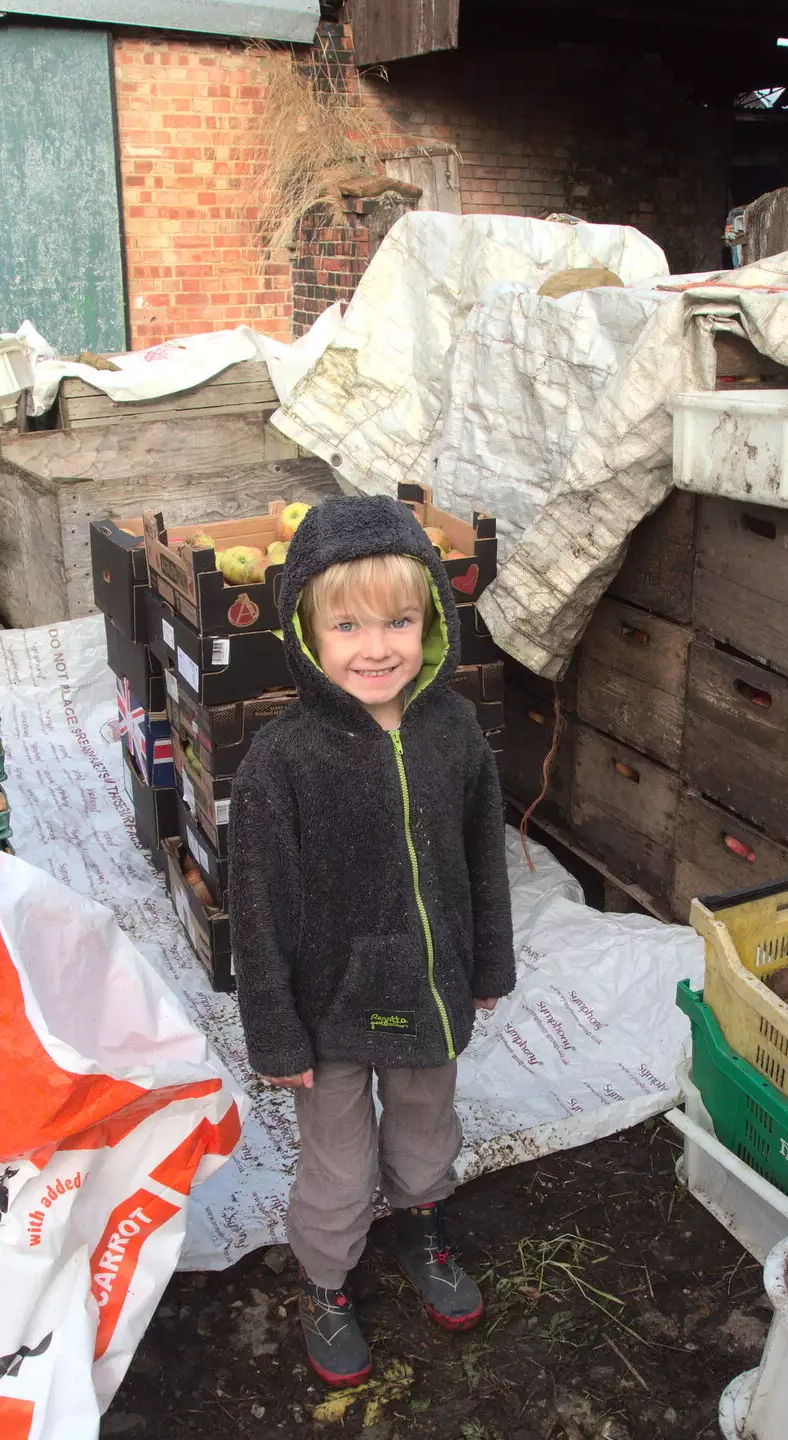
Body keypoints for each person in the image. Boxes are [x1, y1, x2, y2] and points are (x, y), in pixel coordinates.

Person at [227, 495, 516, 1387]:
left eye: (398, 619)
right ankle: (324, 1279)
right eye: (346, 624)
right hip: (330, 1012)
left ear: (431, 617)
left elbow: (481, 855)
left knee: (426, 1131)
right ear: (307, 633)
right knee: (339, 1167)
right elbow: (258, 908)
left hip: (428, 991)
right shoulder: (283, 761)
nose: (376, 645)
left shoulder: (452, 731)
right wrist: (274, 1032)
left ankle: (421, 1231)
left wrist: (487, 964)